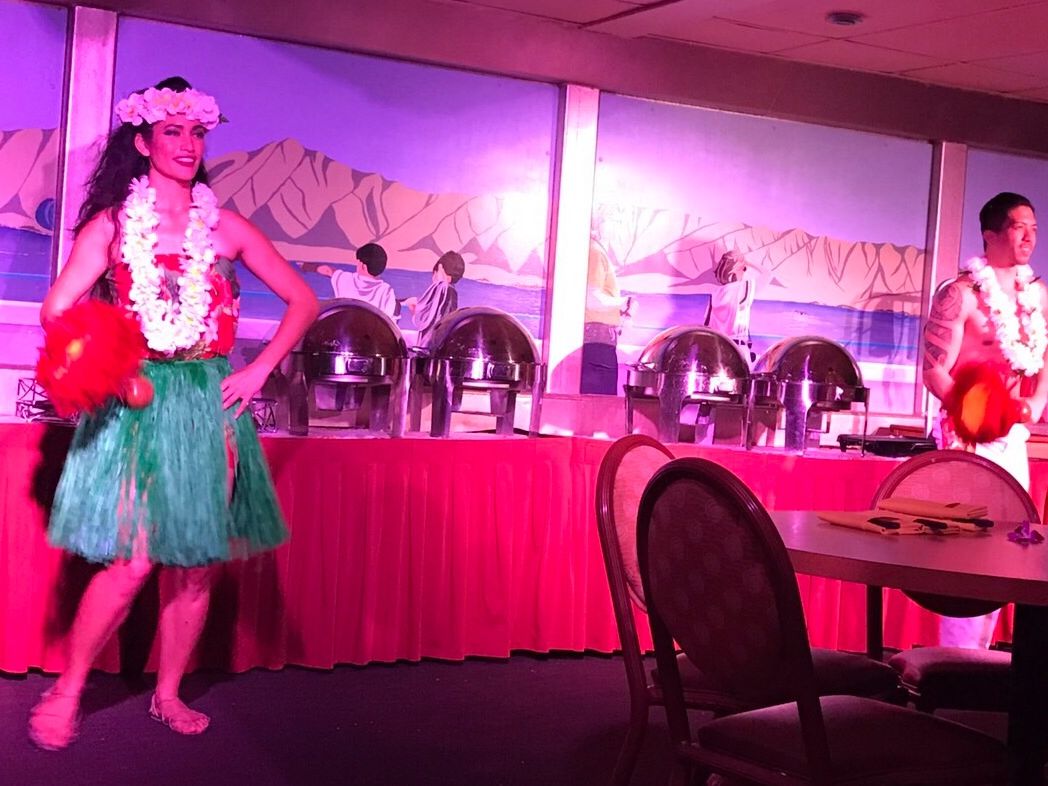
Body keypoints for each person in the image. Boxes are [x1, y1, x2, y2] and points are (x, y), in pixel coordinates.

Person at [27, 77, 318, 749]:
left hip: (208, 402)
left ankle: (167, 694)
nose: (188, 145)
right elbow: (56, 309)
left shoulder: (227, 228)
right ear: (144, 142)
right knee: (132, 563)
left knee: (194, 564)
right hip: (137, 400)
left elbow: (304, 302)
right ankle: (67, 689)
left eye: (197, 133)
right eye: (172, 132)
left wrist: (258, 369)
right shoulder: (112, 225)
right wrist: (111, 368)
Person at [922, 191, 1047, 648]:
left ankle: (981, 657)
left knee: (1008, 543)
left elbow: (1044, 359)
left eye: (1034, 228)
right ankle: (953, 657)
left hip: (1012, 435)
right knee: (966, 548)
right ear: (990, 234)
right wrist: (973, 413)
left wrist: (1034, 406)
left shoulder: (1036, 296)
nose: (1029, 237)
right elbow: (933, 369)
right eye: (1018, 227)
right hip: (966, 436)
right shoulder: (960, 295)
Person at [581, 234, 632, 394]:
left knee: (596, 402)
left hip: (596, 344)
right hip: (596, 346)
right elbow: (591, 298)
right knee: (599, 404)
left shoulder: (592, 249)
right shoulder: (594, 251)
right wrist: (625, 303)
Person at [706, 249, 764, 363]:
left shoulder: (715, 294)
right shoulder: (742, 288)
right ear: (736, 267)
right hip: (738, 349)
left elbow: (708, 326)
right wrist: (749, 262)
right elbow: (767, 274)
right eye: (743, 266)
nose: (745, 269)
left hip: (718, 349)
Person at [313, 242, 397, 318]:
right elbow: (387, 318)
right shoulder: (386, 290)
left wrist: (311, 267)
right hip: (371, 329)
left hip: (344, 327)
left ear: (363, 266)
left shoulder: (346, 279)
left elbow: (328, 270)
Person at [403, 250, 464, 348]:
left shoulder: (440, 287)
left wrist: (413, 307)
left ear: (440, 268)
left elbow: (422, 320)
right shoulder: (453, 292)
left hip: (429, 344)